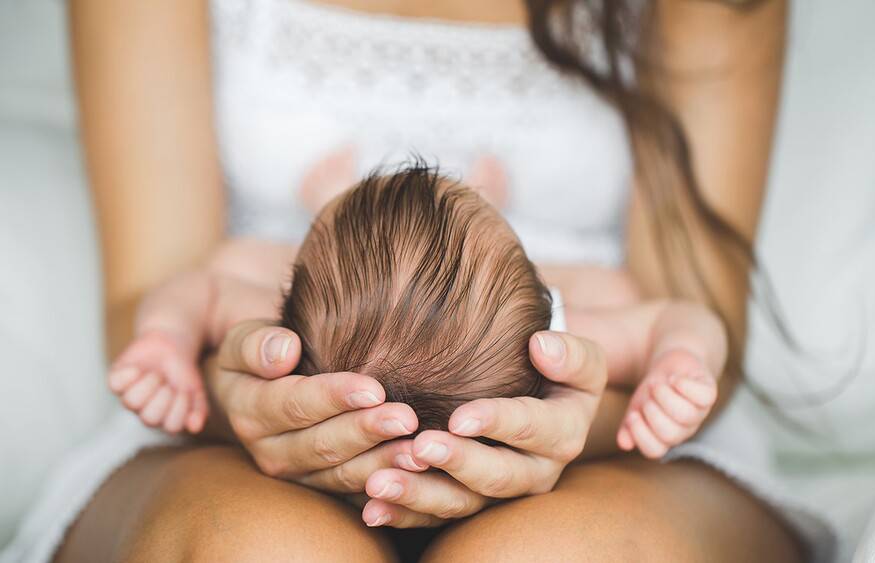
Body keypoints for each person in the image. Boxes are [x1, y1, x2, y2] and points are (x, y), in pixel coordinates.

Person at [7, 0, 812, 561]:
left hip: (590, 438)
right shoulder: (574, 312)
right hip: (241, 431)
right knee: (253, 549)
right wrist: (205, 387)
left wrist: (166, 345)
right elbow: (676, 326)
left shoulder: (260, 287)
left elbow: (697, 316)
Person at [111, 166, 724, 457]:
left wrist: (166, 339)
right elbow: (679, 316)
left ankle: (325, 197)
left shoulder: (284, 337)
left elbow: (201, 290)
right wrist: (679, 360)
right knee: (617, 289)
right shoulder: (555, 339)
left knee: (234, 255)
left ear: (286, 298)